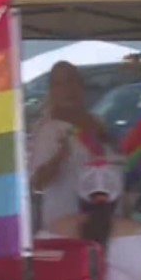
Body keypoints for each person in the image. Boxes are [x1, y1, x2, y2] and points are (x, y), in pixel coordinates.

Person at [29, 61, 113, 229]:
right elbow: (37, 182)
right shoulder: (49, 128)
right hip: (64, 224)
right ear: (52, 91)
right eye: (60, 84)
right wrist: (60, 157)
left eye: (72, 81)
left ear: (81, 86)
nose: (68, 89)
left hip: (100, 220)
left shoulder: (97, 123)